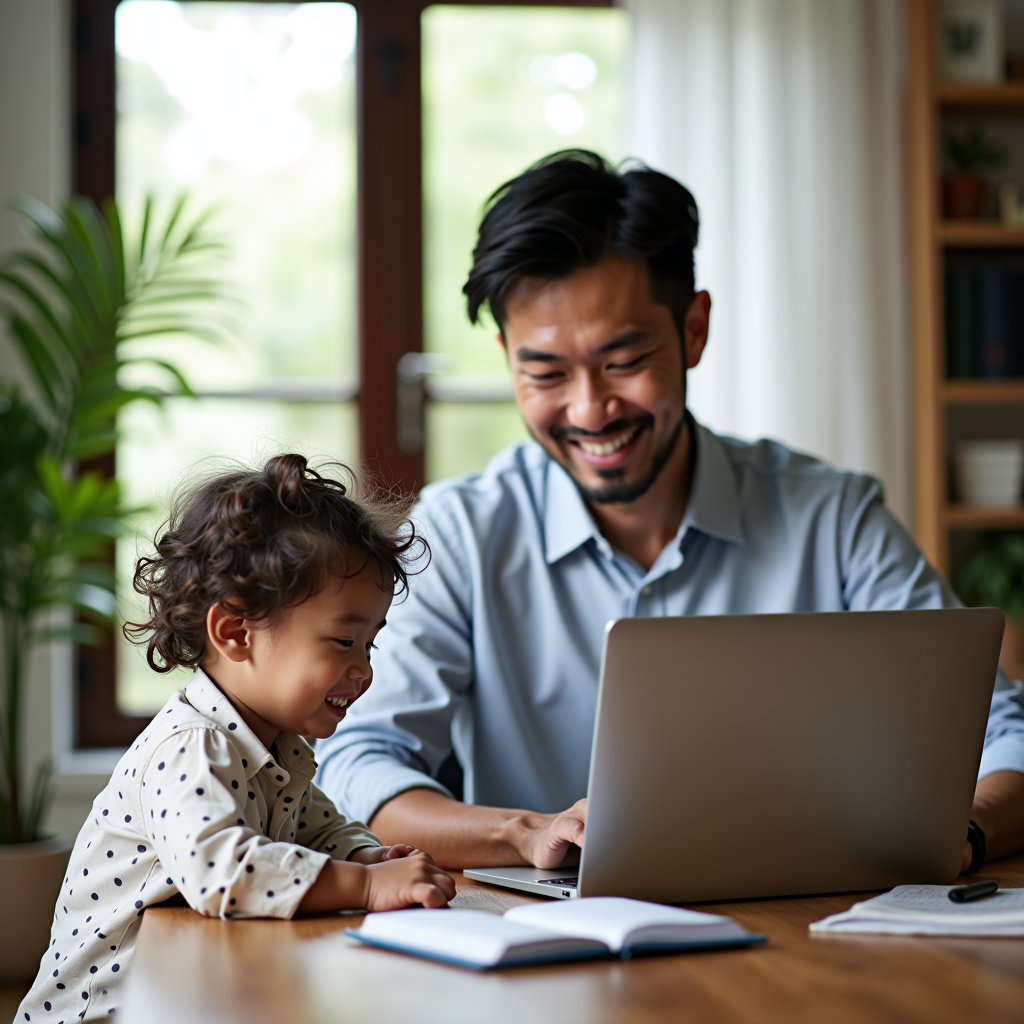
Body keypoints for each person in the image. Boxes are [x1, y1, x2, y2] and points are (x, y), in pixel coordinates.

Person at [316, 150, 1024, 875]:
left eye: (623, 362)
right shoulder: (461, 533)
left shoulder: (833, 518)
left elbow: (1000, 733)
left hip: (808, 930)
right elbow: (360, 761)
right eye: (546, 373)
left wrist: (961, 831)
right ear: (506, 357)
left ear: (693, 329)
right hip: (541, 949)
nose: (590, 410)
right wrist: (525, 834)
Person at [17, 455, 454, 1024]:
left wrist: (368, 853)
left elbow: (320, 826)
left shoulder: (273, 746)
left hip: (191, 993)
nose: (364, 670)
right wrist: (368, 887)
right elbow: (225, 871)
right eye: (344, 641)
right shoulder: (190, 747)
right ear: (234, 632)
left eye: (370, 644)